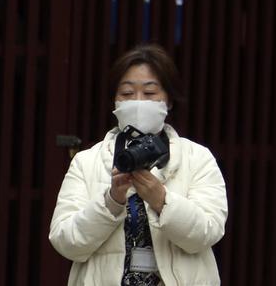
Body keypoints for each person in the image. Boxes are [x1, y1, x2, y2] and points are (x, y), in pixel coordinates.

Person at [49, 44, 228, 285]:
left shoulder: (197, 158)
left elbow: (207, 233)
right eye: (126, 93)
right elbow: (65, 241)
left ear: (169, 100)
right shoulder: (87, 162)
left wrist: (162, 200)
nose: (138, 101)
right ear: (115, 101)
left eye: (150, 93)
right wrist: (111, 202)